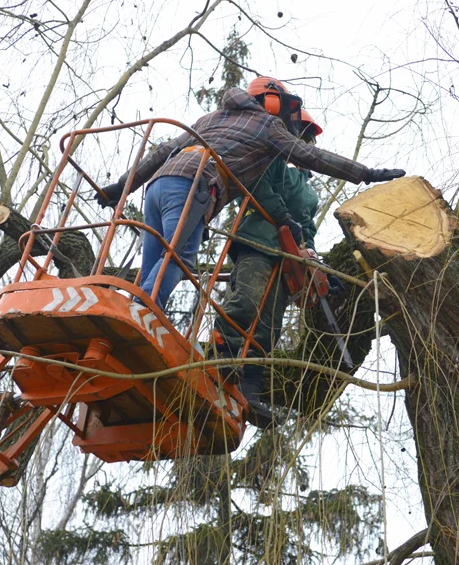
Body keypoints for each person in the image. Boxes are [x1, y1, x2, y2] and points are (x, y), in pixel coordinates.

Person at [95, 76, 405, 310]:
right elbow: (313, 157)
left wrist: (123, 186)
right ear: (271, 102)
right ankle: (139, 315)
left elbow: (163, 150)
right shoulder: (267, 125)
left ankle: (130, 309)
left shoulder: (210, 118)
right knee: (178, 260)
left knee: (154, 264)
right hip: (195, 187)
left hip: (158, 186)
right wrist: (367, 174)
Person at [212, 109, 334, 428]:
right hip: (257, 240)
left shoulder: (309, 193)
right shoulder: (270, 160)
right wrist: (283, 218)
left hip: (287, 261)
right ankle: (220, 355)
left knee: (269, 325)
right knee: (247, 300)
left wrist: (311, 258)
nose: (306, 146)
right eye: (302, 139)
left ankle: (249, 389)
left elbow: (306, 229)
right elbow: (258, 189)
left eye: (310, 142)